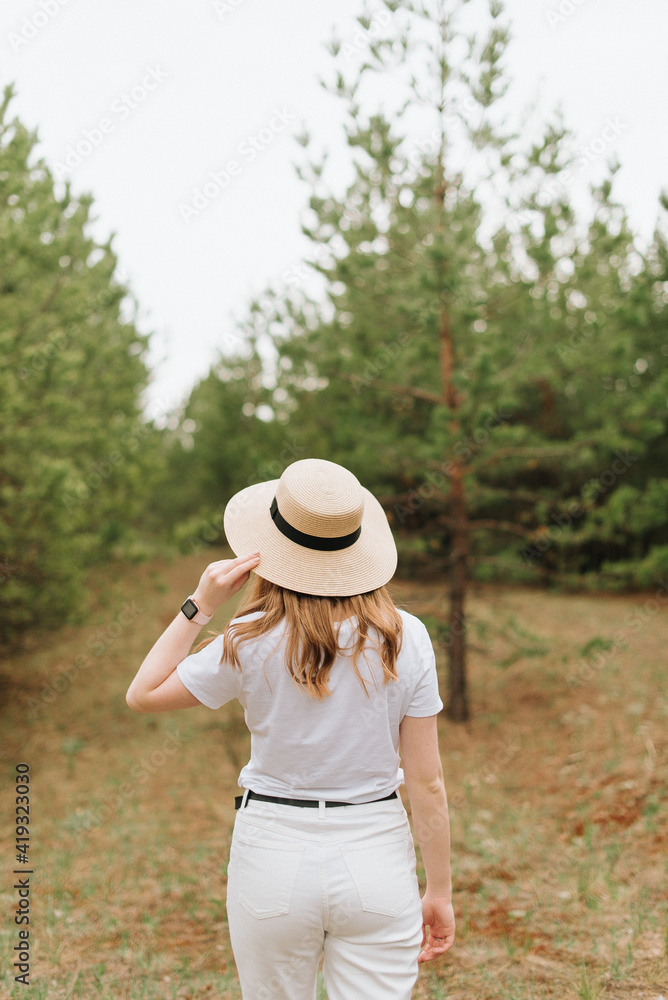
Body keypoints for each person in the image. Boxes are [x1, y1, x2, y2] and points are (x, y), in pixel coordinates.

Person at [126, 457, 455, 999]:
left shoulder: (248, 636)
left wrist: (201, 603)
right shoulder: (407, 636)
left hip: (272, 857)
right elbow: (428, 783)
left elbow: (143, 694)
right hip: (376, 857)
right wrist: (438, 889)